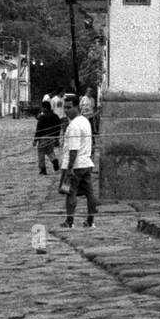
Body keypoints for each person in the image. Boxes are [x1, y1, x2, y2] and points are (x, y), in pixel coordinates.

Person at [59, 92, 97, 229]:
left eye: (69, 107)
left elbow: (73, 150)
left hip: (75, 165)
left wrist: (69, 169)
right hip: (86, 163)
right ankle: (90, 221)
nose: (66, 110)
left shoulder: (74, 125)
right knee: (90, 194)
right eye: (65, 107)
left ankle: (70, 221)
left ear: (77, 107)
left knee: (70, 193)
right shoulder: (85, 121)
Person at [32, 97, 60, 176]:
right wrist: (56, 138)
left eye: (42, 108)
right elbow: (58, 127)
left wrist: (35, 140)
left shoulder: (42, 117)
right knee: (50, 151)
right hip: (52, 137)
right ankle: (54, 160)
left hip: (43, 138)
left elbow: (39, 129)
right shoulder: (55, 116)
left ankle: (43, 169)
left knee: (41, 153)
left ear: (45, 108)